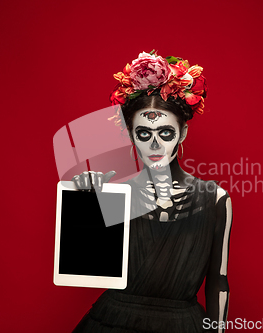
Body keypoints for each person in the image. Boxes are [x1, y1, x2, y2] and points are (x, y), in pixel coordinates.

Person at [71, 51, 233, 333]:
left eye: (166, 133)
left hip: (181, 324)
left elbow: (218, 280)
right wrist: (87, 204)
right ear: (131, 135)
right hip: (112, 321)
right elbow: (87, 269)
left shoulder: (215, 199)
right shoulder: (115, 193)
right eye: (144, 134)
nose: (155, 144)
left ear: (182, 133)